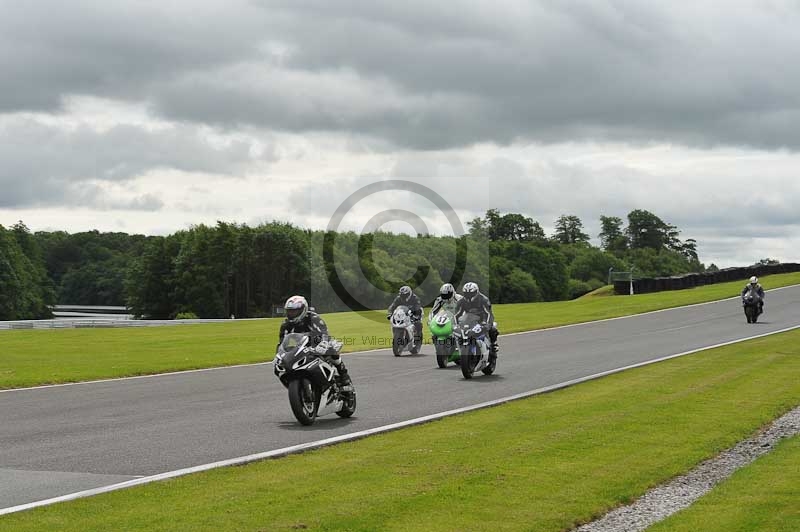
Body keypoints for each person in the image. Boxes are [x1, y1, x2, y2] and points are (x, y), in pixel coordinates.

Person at [278, 295, 352, 389]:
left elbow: (324, 332)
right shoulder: (285, 325)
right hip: (300, 346)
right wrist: (280, 354)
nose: (291, 314)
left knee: (332, 349)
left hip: (317, 342)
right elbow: (282, 342)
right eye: (289, 311)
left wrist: (323, 343)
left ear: (303, 310)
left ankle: (343, 374)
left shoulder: (314, 318)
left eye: (294, 311)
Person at [454, 281, 499, 361]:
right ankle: (459, 348)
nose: (468, 296)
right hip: (469, 319)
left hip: (482, 319)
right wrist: (455, 324)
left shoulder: (484, 299)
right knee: (456, 333)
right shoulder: (461, 301)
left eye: (471, 293)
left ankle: (494, 344)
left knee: (492, 328)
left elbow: (488, 313)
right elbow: (457, 314)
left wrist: (487, 324)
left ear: (476, 292)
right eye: (466, 293)